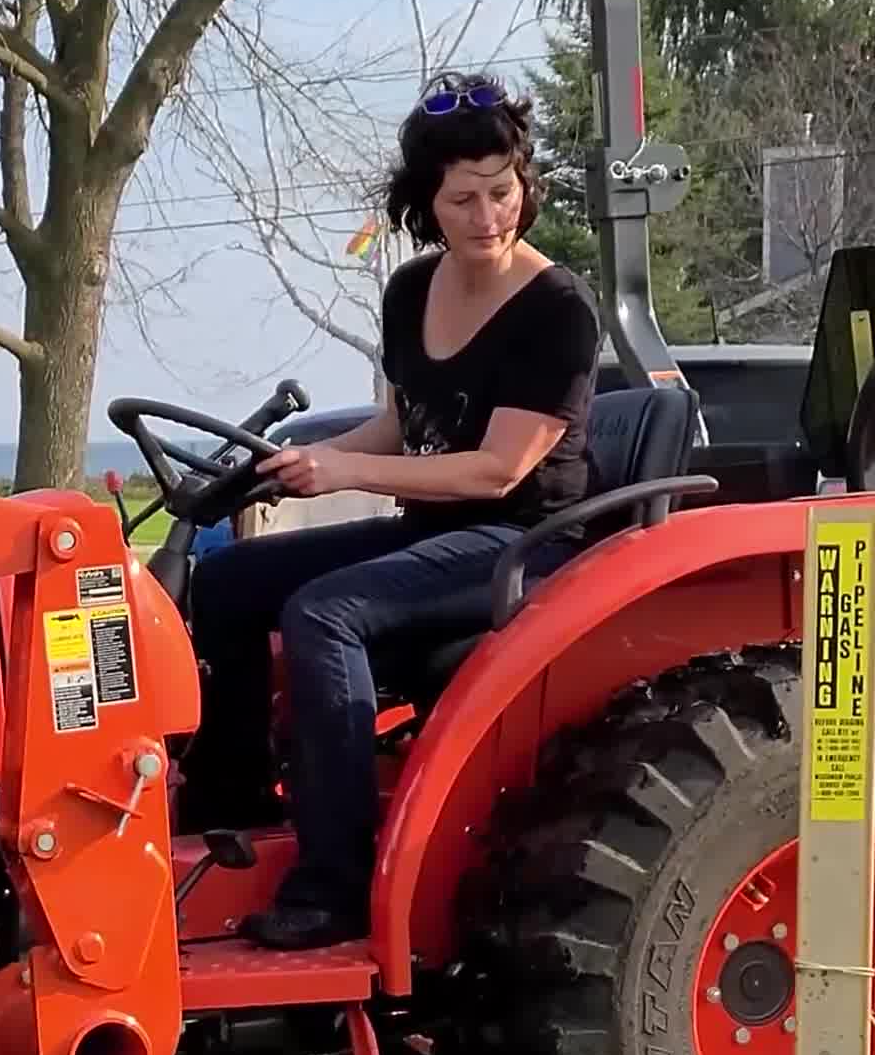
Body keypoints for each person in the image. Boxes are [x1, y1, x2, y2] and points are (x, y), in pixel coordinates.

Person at [179, 72, 606, 949]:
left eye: (502, 192)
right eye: (464, 199)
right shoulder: (413, 291)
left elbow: (495, 471)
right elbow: (402, 424)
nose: (488, 215)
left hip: (525, 543)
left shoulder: (557, 310)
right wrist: (298, 459)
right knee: (224, 584)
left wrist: (344, 474)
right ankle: (230, 808)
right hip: (433, 531)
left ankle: (335, 884)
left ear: (524, 186)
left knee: (325, 613)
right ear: (428, 202)